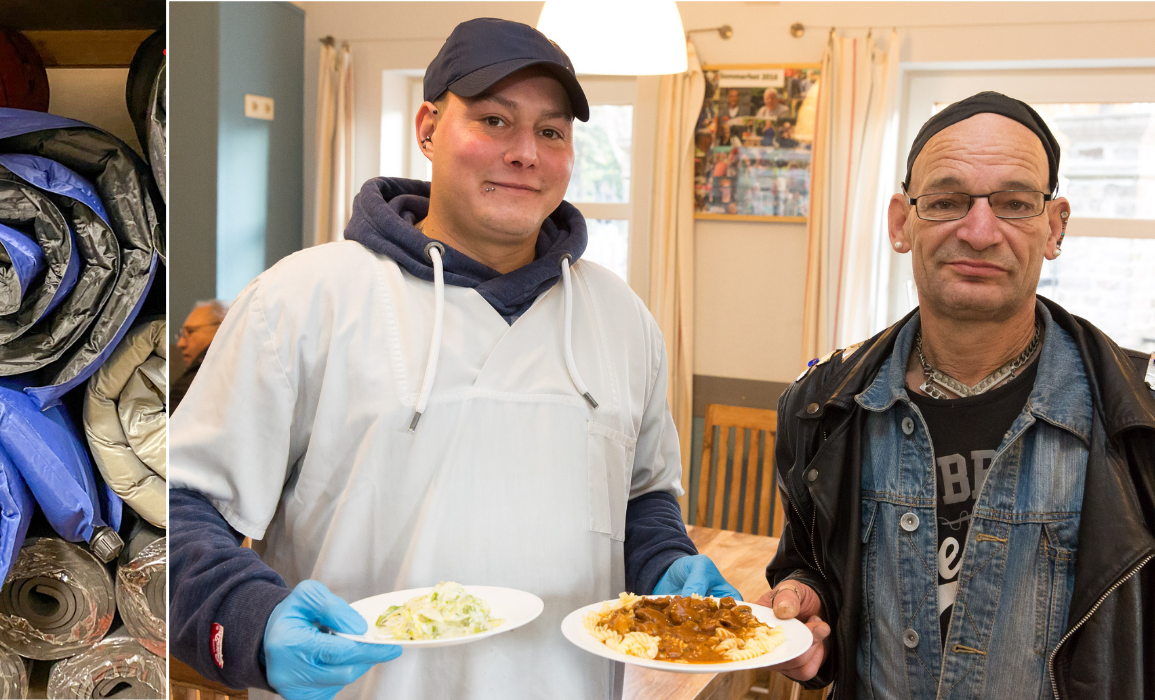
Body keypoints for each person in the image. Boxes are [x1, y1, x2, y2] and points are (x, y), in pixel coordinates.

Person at [168, 18, 740, 700]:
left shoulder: (621, 320)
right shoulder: (301, 299)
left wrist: (664, 560)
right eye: (495, 120)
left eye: (551, 131)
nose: (526, 152)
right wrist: (250, 619)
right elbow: (178, 504)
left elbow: (642, 496)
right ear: (428, 128)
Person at [757, 91, 1155, 699]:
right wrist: (810, 603)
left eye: (1015, 203)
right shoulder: (821, 411)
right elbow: (813, 565)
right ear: (900, 222)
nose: (980, 230)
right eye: (946, 200)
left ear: (1054, 227)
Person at [170, 299, 227, 414]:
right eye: (182, 334)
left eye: (190, 332)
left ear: (222, 327)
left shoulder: (191, 386)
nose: (181, 344)